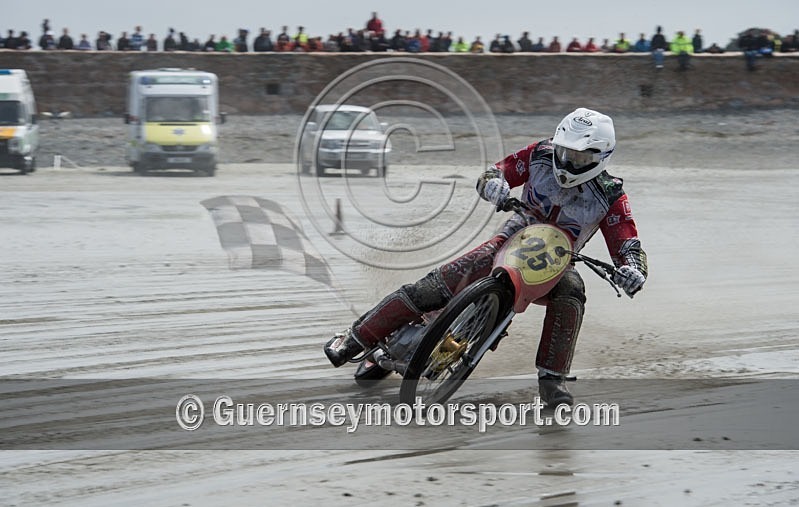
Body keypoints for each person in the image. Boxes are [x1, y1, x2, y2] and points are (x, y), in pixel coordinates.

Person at [324, 108, 649, 407]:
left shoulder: (611, 196)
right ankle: (353, 338)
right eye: (565, 152)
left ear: (600, 156)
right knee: (433, 287)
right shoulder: (539, 154)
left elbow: (627, 244)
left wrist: (632, 270)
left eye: (579, 157)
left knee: (573, 293)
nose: (567, 161)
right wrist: (493, 184)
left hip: (558, 261)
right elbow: (497, 171)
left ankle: (553, 380)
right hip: (511, 238)